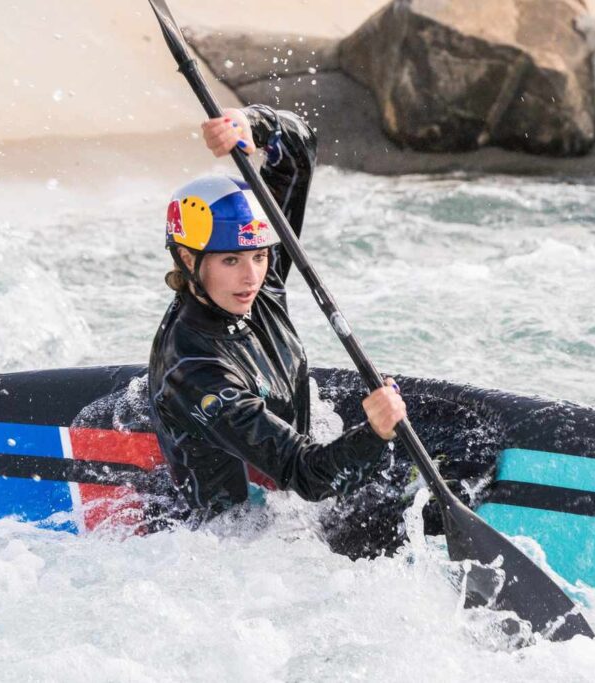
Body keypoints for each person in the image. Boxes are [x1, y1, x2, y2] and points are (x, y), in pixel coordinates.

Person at [148, 104, 407, 520]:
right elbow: (306, 476)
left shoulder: (258, 285)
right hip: (236, 549)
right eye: (230, 260)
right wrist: (375, 435)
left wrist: (252, 125)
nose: (251, 277)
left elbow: (298, 152)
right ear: (188, 259)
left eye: (259, 256)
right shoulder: (196, 371)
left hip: (294, 510)